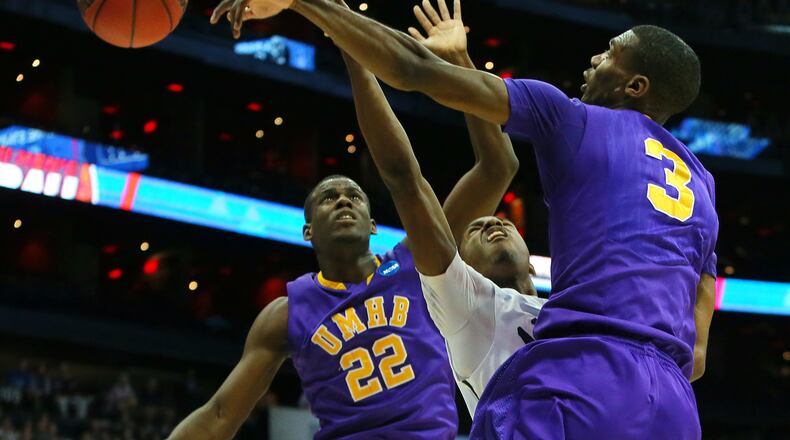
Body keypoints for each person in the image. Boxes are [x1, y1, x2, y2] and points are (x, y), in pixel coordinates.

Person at [211, 0, 720, 438]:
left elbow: (413, 70)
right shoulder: (704, 187)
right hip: (673, 408)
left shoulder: (573, 117)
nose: (594, 58)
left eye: (609, 52)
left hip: (583, 377)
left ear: (634, 85)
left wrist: (312, 5)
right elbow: (695, 356)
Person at [168, 2, 519, 437]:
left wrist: (457, 63)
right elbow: (220, 414)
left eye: (354, 194)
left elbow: (496, 168)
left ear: (374, 226)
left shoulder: (420, 262)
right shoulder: (287, 314)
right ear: (308, 231)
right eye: (328, 197)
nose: (344, 200)